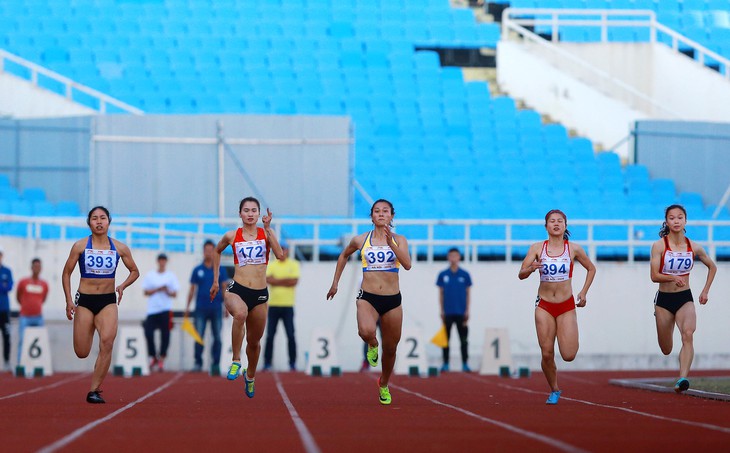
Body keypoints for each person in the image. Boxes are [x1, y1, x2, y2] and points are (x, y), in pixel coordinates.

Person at [327, 199, 412, 405]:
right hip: (368, 296)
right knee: (365, 331)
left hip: (392, 299)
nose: (381, 214)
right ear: (371, 216)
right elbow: (343, 256)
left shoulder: (400, 239)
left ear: (392, 216)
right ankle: (372, 344)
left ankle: (383, 383)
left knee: (391, 349)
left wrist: (392, 243)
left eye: (385, 211)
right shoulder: (361, 240)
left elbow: (407, 264)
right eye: (377, 211)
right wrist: (335, 283)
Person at [62, 206, 139, 404]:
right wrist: (69, 300)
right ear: (89, 223)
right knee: (82, 352)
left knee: (107, 342)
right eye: (95, 218)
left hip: (107, 301)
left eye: (102, 218)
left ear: (108, 222)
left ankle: (94, 390)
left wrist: (122, 285)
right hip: (85, 301)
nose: (99, 221)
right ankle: (94, 377)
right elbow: (66, 273)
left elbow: (134, 271)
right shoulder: (80, 246)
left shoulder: (119, 248)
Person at [518, 209, 596, 405]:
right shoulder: (537, 248)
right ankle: (554, 388)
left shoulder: (574, 249)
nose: (556, 224)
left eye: (560, 221)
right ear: (546, 226)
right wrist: (531, 268)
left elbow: (591, 268)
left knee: (569, 355)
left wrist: (584, 292)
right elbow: (521, 273)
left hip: (566, 305)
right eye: (552, 221)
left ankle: (569, 338)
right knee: (546, 352)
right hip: (544, 305)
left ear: (565, 226)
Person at [210, 197, 284, 398]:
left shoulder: (266, 233)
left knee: (254, 342)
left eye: (254, 210)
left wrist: (269, 228)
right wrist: (216, 280)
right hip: (237, 288)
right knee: (239, 314)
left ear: (259, 214)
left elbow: (280, 255)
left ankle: (250, 376)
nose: (250, 214)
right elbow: (216, 251)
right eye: (246, 210)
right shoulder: (232, 235)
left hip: (260, 294)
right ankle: (235, 360)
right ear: (240, 213)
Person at [650, 204, 717, 393]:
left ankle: (683, 378)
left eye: (680, 217)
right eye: (672, 218)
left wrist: (705, 291)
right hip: (664, 300)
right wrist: (673, 277)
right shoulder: (659, 245)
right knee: (666, 348)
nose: (676, 221)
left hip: (684, 298)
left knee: (688, 334)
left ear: (685, 221)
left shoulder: (694, 247)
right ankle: (661, 321)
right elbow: (654, 275)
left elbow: (712, 267)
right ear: (667, 222)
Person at [185, 240, 229, 373]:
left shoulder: (220, 269)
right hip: (200, 308)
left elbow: (224, 288)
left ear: (215, 251)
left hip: (216, 308)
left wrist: (226, 306)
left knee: (217, 337)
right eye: (206, 250)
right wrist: (187, 308)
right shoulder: (197, 270)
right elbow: (192, 290)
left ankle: (216, 363)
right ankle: (198, 362)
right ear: (203, 252)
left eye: (211, 250)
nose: (209, 253)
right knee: (199, 336)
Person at [263, 242, 300, 371]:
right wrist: (286, 280)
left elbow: (294, 281)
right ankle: (267, 363)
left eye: (283, 249)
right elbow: (268, 280)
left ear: (288, 251)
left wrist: (277, 280)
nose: (282, 252)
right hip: (273, 305)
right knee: (270, 335)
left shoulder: (294, 264)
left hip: (287, 305)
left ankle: (292, 362)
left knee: (290, 335)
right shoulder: (272, 264)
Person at [436, 247, 473, 373]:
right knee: (445, 340)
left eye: (455, 256)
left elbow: (468, 294)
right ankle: (445, 363)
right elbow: (441, 294)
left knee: (463, 340)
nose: (453, 258)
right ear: (448, 257)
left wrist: (467, 310)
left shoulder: (465, 275)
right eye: (451, 256)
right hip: (447, 312)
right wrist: (441, 310)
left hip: (461, 312)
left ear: (459, 257)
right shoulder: (443, 275)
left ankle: (465, 363)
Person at [142, 253, 179, 372]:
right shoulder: (150, 275)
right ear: (158, 261)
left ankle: (162, 357)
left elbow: (174, 294)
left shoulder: (171, 276)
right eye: (160, 260)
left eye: (164, 260)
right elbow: (145, 292)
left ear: (166, 262)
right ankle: (153, 356)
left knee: (165, 335)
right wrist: (157, 289)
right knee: (148, 333)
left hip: (165, 309)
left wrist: (167, 290)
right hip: (152, 309)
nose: (162, 262)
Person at [16, 258, 49, 364]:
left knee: (39, 340)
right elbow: (18, 296)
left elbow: (43, 298)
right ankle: (20, 363)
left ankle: (38, 364)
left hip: (38, 316)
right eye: (35, 266)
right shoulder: (23, 282)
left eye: (38, 267)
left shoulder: (44, 284)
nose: (36, 269)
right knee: (22, 340)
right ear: (31, 267)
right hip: (24, 316)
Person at [0, 248, 13, 372]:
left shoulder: (7, 271)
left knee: (6, 336)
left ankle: (6, 361)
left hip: (4, 309)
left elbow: (9, 286)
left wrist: (3, 286)